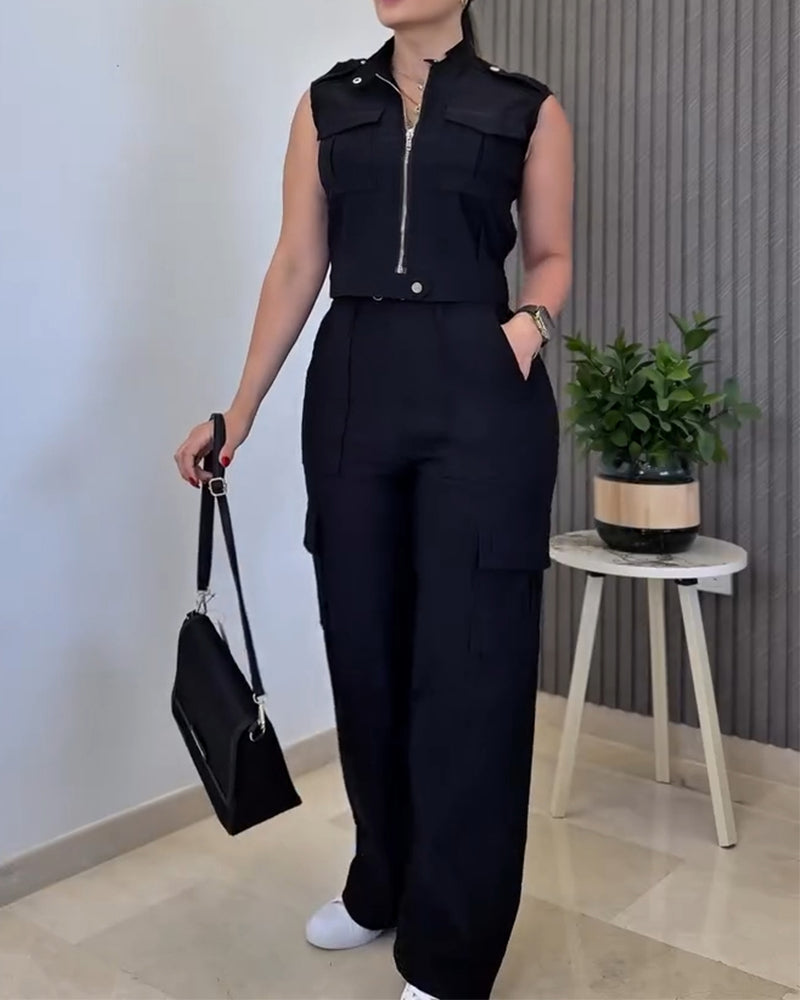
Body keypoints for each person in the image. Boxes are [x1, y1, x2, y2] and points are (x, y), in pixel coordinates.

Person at [174, 0, 573, 996]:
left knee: (470, 672)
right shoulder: (327, 104)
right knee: (366, 654)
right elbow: (296, 262)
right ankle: (379, 882)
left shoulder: (524, 107)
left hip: (480, 396)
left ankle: (450, 949)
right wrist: (238, 410)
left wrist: (526, 324)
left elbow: (550, 254)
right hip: (354, 385)